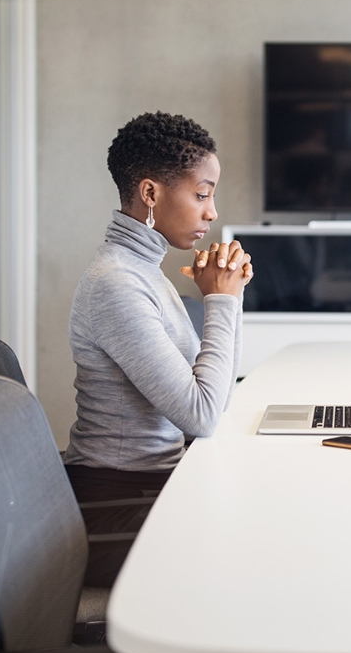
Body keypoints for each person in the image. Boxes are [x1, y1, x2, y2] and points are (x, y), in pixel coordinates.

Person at [63, 111, 252, 586]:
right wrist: (221, 300)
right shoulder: (116, 285)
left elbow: (215, 392)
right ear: (151, 193)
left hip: (155, 487)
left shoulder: (145, 272)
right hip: (118, 509)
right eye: (202, 194)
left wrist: (231, 296)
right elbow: (202, 415)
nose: (211, 211)